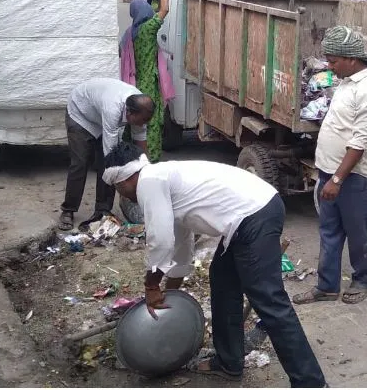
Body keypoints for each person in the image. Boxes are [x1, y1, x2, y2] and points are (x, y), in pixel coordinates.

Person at [101, 142, 327, 388]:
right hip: (250, 215)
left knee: (271, 303)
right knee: (223, 281)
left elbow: (160, 239)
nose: (123, 196)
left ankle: (311, 382)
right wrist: (172, 290)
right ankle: (229, 363)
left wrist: (151, 284)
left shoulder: (149, 182)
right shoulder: (163, 178)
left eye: (118, 189)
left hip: (253, 216)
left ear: (123, 180)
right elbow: (180, 240)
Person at [293, 26, 367, 306]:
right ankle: (327, 286)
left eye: (333, 61)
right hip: (330, 172)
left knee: (358, 233)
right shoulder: (348, 81)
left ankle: (364, 278)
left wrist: (337, 180)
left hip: (353, 178)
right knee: (329, 231)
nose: (330, 66)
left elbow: (359, 144)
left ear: (351, 59)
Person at [57, 78, 155, 231]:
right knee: (81, 162)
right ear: (128, 113)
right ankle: (68, 210)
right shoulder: (113, 107)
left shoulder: (141, 109)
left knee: (106, 165)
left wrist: (145, 175)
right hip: (81, 114)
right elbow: (111, 156)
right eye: (140, 121)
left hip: (101, 116)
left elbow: (140, 143)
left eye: (145, 122)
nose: (142, 124)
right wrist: (125, 183)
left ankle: (103, 210)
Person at [119, 0, 169, 163]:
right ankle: (151, 159)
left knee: (134, 123)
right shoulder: (148, 30)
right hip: (148, 87)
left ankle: (131, 157)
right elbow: (164, 10)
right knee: (152, 123)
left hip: (132, 86)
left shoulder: (129, 34)